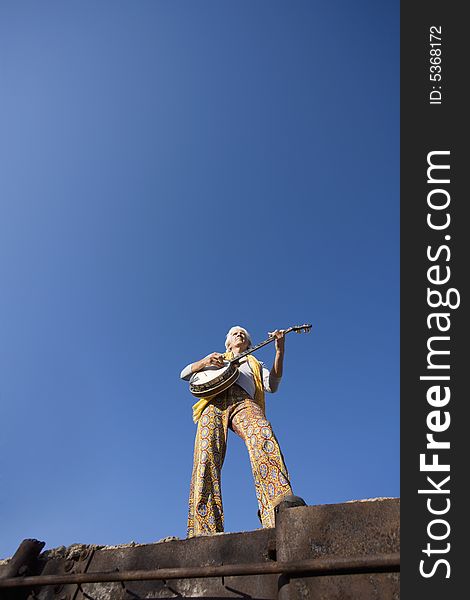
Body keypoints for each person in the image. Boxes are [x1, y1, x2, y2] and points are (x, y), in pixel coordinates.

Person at [180, 325, 294, 537]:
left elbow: (273, 384)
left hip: (244, 400)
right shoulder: (216, 359)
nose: (239, 335)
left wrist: (279, 350)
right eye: (235, 333)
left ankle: (279, 505)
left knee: (262, 434)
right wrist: (204, 362)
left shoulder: (254, 363)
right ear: (228, 343)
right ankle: (204, 526)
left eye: (243, 334)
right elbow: (185, 374)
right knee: (206, 454)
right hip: (214, 401)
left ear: (249, 344)